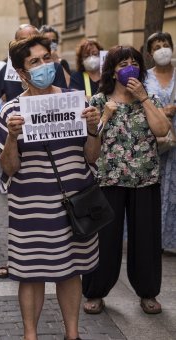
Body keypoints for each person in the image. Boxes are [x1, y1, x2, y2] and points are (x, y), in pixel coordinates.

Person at [0, 35, 102, 340]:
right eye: (34, 62)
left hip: (74, 202)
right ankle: (31, 335)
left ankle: (72, 334)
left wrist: (93, 129)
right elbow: (9, 168)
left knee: (72, 270)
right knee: (30, 274)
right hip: (31, 208)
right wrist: (13, 137)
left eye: (47, 58)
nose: (44, 65)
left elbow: (92, 156)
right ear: (22, 73)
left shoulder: (78, 100)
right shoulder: (9, 112)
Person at [82, 45, 172, 315]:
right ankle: (96, 292)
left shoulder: (150, 98)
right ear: (112, 70)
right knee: (106, 241)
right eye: (122, 64)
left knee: (146, 239)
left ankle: (147, 293)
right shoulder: (97, 103)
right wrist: (104, 119)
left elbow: (162, 129)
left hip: (145, 180)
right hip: (109, 180)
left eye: (134, 63)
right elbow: (90, 154)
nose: (129, 68)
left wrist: (143, 98)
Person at [0, 24, 68, 196]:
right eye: (24, 40)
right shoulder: (7, 71)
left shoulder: (54, 67)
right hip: (21, 149)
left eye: (33, 39)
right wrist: (0, 132)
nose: (29, 45)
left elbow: (65, 98)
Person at [144, 32, 176, 253]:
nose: (162, 49)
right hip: (158, 142)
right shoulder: (144, 79)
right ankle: (157, 239)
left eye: (166, 45)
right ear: (149, 53)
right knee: (157, 189)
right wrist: (162, 112)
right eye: (157, 47)